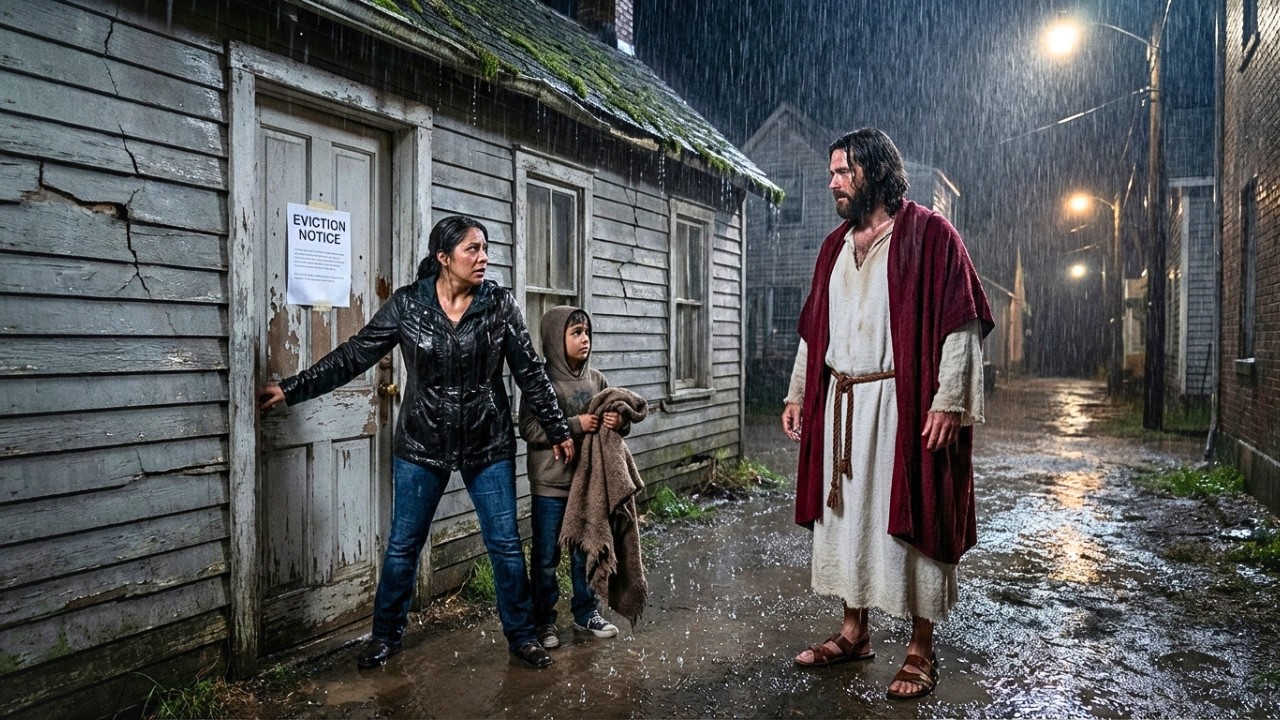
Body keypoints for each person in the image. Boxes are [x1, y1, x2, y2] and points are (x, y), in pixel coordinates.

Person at [259, 215, 574, 670]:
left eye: (485, 248)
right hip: (422, 442)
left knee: (505, 544)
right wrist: (293, 388)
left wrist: (560, 429)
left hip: (487, 442)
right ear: (444, 258)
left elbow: (529, 372)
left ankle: (522, 636)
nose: (484, 257)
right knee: (405, 544)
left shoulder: (499, 305)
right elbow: (355, 354)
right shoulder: (408, 305)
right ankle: (385, 637)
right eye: (473, 250)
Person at [780, 128, 993, 700]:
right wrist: (799, 393)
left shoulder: (929, 236)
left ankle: (921, 649)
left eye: (843, 172)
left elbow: (963, 322)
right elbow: (813, 330)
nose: (833, 183)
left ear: (873, 171)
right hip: (844, 403)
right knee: (849, 518)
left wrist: (951, 400)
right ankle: (855, 632)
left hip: (904, 403)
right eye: (832, 174)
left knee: (914, 523)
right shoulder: (832, 247)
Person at [518, 306, 627, 649]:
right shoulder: (541, 382)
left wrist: (618, 423)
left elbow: (620, 415)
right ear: (554, 340)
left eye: (587, 332)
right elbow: (529, 428)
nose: (585, 340)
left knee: (585, 550)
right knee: (546, 555)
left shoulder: (596, 380)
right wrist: (575, 425)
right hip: (550, 483)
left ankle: (586, 611)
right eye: (576, 333)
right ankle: (543, 621)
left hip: (585, 485)